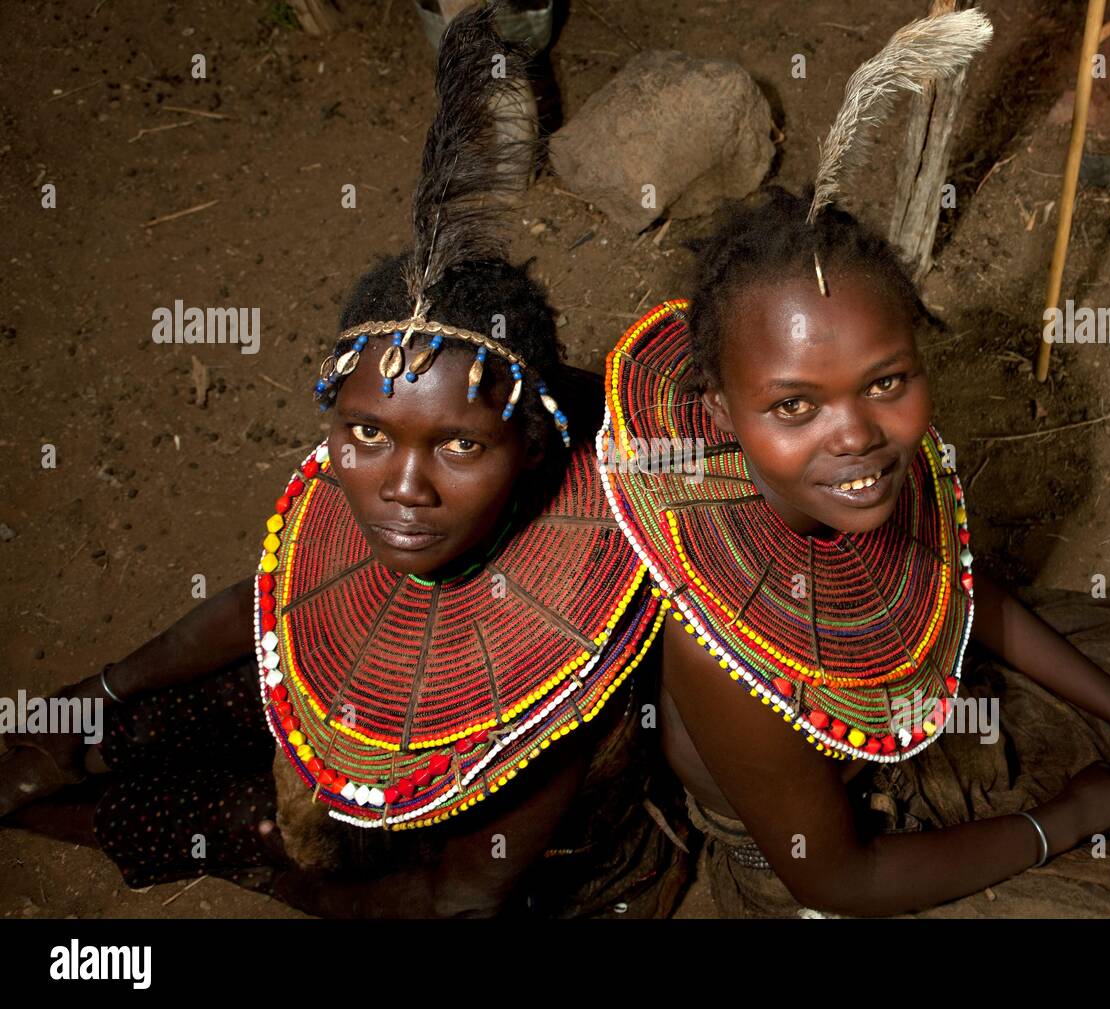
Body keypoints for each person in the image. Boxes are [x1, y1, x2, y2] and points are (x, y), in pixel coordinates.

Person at [598, 10, 1110, 918]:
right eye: (795, 405)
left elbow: (953, 589)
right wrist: (1068, 820)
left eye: (884, 381)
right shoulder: (718, 645)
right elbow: (839, 877)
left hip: (911, 742)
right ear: (723, 412)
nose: (857, 435)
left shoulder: (883, 473)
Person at [0, 5, 687, 919]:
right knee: (165, 711)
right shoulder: (399, 475)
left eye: (459, 445)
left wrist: (293, 876)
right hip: (395, 684)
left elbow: (463, 894)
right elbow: (275, 599)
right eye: (367, 433)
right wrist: (92, 698)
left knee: (244, 821)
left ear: (532, 446)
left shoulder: (564, 643)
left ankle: (72, 819)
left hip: (498, 849)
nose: (402, 485)